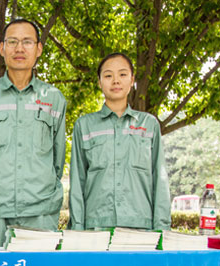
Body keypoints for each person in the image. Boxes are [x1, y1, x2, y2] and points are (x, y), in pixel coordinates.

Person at [0, 19, 67, 247]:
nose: (19, 48)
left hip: (41, 211)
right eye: (12, 42)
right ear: (2, 48)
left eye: (27, 42)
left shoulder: (54, 97)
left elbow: (58, 157)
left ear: (38, 49)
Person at [68, 52, 171, 231]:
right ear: (100, 82)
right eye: (108, 76)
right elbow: (78, 182)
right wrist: (77, 229)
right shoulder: (84, 126)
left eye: (122, 74)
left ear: (132, 80)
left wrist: (162, 229)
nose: (116, 81)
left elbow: (159, 179)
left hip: (141, 229)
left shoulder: (149, 125)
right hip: (95, 228)